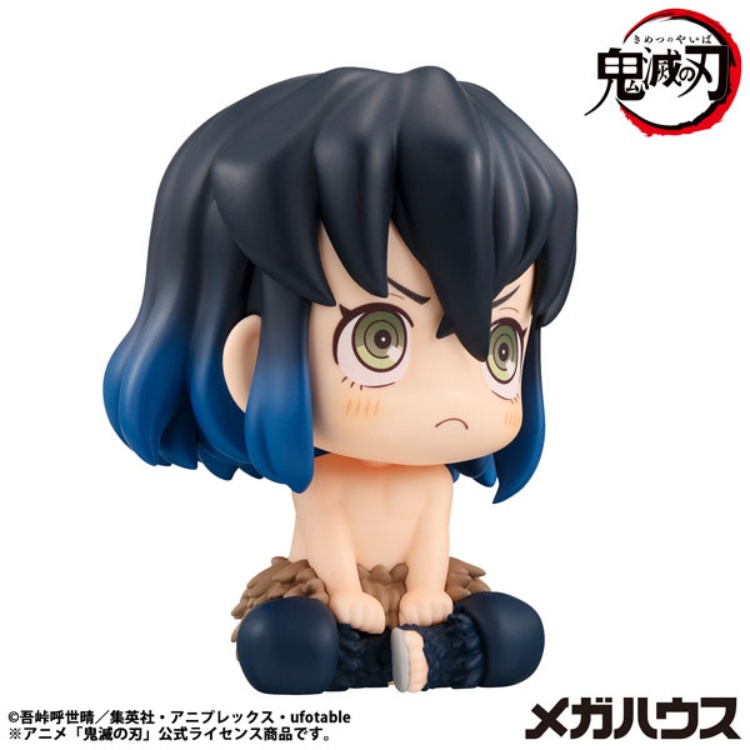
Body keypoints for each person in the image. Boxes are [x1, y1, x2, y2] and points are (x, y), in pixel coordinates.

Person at [104, 66, 577, 694]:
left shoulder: (433, 481)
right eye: (379, 339)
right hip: (327, 593)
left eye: (499, 345)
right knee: (283, 644)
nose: (455, 399)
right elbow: (328, 540)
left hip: (420, 595)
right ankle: (376, 659)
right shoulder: (322, 482)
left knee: (517, 632)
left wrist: (428, 591)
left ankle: (428, 655)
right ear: (252, 358)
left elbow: (431, 540)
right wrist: (347, 596)